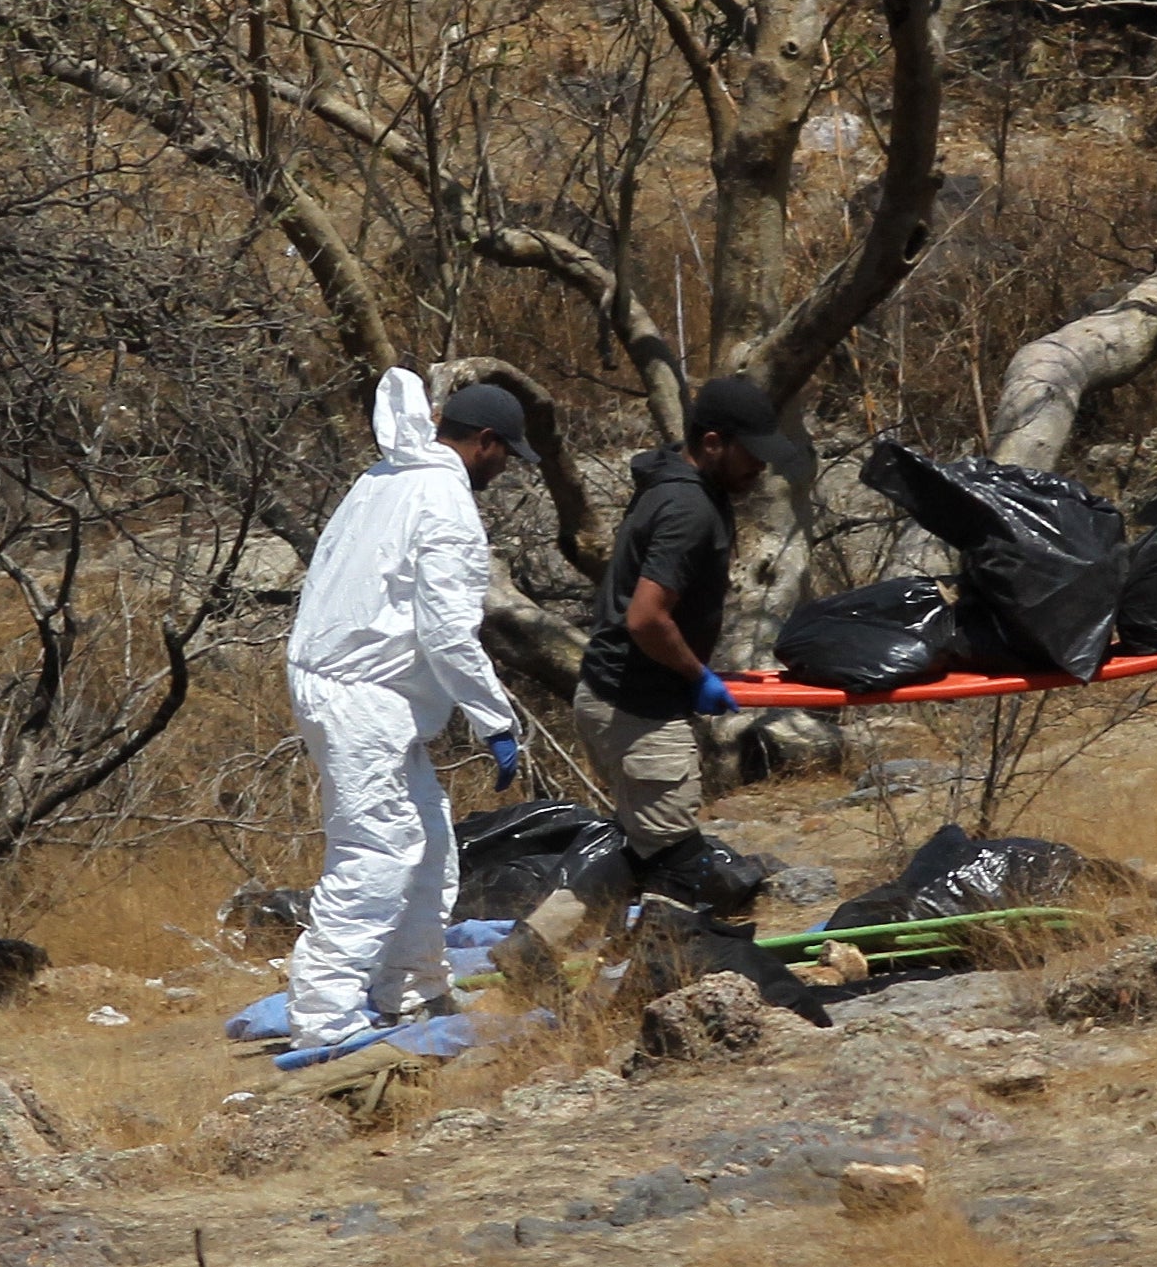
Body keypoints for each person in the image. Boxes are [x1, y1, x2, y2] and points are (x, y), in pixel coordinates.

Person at [283, 370, 535, 1049]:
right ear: (484, 442)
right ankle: (324, 1015)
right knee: (377, 851)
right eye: (505, 453)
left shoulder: (383, 478)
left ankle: (412, 987)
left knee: (427, 839)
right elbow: (447, 631)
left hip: (348, 685)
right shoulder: (444, 503)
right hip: (361, 696)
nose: (504, 467)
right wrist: (495, 720)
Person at [574, 377, 806, 902]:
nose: (761, 467)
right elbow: (646, 618)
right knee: (680, 874)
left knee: (645, 854)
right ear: (712, 443)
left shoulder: (676, 487)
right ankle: (652, 982)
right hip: (639, 710)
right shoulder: (689, 509)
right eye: (752, 453)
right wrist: (697, 676)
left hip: (615, 698)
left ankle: (532, 955)